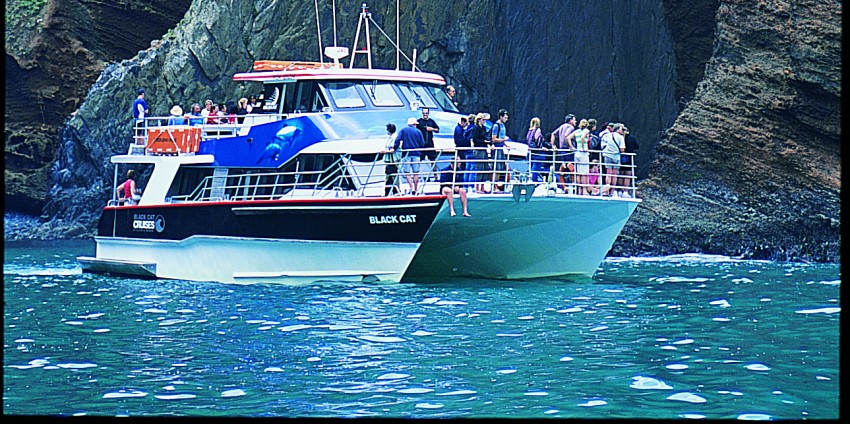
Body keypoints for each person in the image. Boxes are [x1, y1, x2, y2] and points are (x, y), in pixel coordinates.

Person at [394, 117, 426, 194]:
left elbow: (397, 140)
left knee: (407, 172)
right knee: (416, 172)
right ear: (414, 124)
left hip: (406, 154)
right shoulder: (418, 131)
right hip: (416, 154)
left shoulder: (403, 130)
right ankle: (416, 188)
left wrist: (395, 148)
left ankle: (411, 187)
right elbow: (422, 143)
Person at [551, 114, 576, 192]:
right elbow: (566, 136)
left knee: (564, 167)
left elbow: (553, 134)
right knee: (571, 167)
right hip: (568, 151)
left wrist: (553, 145)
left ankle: (564, 187)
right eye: (574, 120)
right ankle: (572, 187)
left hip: (561, 150)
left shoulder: (562, 126)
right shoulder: (571, 127)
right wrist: (571, 147)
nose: (575, 121)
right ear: (570, 120)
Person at [602, 123, 626, 197]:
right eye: (622, 129)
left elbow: (603, 145)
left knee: (608, 173)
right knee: (614, 175)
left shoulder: (607, 135)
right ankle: (612, 191)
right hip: (616, 156)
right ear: (618, 129)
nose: (623, 130)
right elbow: (622, 149)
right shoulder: (620, 137)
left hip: (607, 155)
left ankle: (606, 191)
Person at [489, 109, 510, 192]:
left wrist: (505, 144)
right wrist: (503, 140)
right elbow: (493, 139)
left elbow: (502, 137)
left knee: (500, 168)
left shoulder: (503, 126)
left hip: (501, 148)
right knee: (496, 168)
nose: (506, 119)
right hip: (497, 149)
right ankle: (494, 186)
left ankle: (497, 185)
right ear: (501, 117)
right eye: (505, 117)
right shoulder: (496, 126)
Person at [417, 107, 440, 182]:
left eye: (426, 113)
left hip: (430, 143)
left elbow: (437, 130)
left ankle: (436, 176)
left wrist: (432, 129)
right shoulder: (419, 122)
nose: (425, 115)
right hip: (421, 144)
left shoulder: (431, 121)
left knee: (433, 160)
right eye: (424, 113)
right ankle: (418, 176)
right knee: (418, 161)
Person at [470, 113, 491, 194]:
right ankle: (478, 187)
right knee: (480, 167)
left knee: (485, 168)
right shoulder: (476, 128)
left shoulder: (484, 128)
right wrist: (484, 141)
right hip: (479, 149)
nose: (484, 121)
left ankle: (482, 187)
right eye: (483, 119)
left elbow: (485, 136)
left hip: (484, 149)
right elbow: (475, 139)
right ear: (479, 120)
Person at [380, 123, 401, 196]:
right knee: (389, 176)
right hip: (390, 161)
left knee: (393, 175)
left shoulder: (395, 137)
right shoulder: (391, 137)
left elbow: (393, 148)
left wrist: (385, 151)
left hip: (393, 160)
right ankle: (389, 192)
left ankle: (396, 191)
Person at [526, 117, 550, 182]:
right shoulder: (537, 130)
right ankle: (534, 182)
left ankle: (531, 180)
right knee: (536, 168)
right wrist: (541, 147)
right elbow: (538, 139)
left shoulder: (529, 130)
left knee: (532, 168)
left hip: (530, 151)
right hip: (537, 152)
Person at [572, 119, 591, 195]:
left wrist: (572, 147)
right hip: (583, 153)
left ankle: (579, 190)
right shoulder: (586, 131)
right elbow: (583, 137)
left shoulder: (577, 131)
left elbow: (568, 138)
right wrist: (583, 147)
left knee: (578, 172)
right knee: (584, 172)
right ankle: (584, 190)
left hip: (577, 152)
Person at [453, 115, 472, 184]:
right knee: (462, 165)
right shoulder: (459, 130)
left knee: (463, 165)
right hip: (461, 149)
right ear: (463, 122)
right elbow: (459, 141)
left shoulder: (459, 129)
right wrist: (467, 141)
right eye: (466, 123)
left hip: (461, 149)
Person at [621, 126, 639, 198]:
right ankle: (625, 191)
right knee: (627, 175)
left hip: (621, 158)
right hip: (629, 158)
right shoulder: (631, 138)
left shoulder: (620, 137)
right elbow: (637, 146)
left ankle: (618, 190)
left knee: (620, 175)